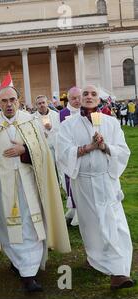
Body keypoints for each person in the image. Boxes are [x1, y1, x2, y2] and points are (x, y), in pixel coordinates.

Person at [0, 86, 71, 293]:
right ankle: (20, 262)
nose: (8, 104)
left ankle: (28, 274)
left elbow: (42, 151)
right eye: (4, 101)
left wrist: (25, 150)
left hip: (28, 185)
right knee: (8, 227)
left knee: (30, 225)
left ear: (18, 99)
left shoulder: (29, 120)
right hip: (1, 186)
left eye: (12, 99)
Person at [56, 85, 135, 290]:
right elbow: (63, 152)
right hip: (82, 181)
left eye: (93, 94)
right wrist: (87, 148)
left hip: (106, 180)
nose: (89, 97)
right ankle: (96, 259)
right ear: (78, 99)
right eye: (85, 94)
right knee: (91, 224)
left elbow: (123, 150)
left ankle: (119, 271)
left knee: (114, 222)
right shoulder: (68, 125)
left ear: (99, 99)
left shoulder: (110, 122)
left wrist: (104, 146)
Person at [59, 86, 82, 227]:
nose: (77, 100)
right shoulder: (62, 113)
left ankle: (81, 212)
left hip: (84, 152)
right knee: (70, 182)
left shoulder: (87, 111)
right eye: (74, 98)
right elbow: (58, 134)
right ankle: (73, 209)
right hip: (69, 153)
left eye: (79, 97)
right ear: (68, 98)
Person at [33, 95, 60, 160]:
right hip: (41, 149)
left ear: (47, 103)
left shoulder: (55, 115)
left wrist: (51, 128)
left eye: (43, 102)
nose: (42, 105)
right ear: (36, 105)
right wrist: (40, 134)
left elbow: (61, 130)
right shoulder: (33, 117)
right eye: (39, 103)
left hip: (55, 147)